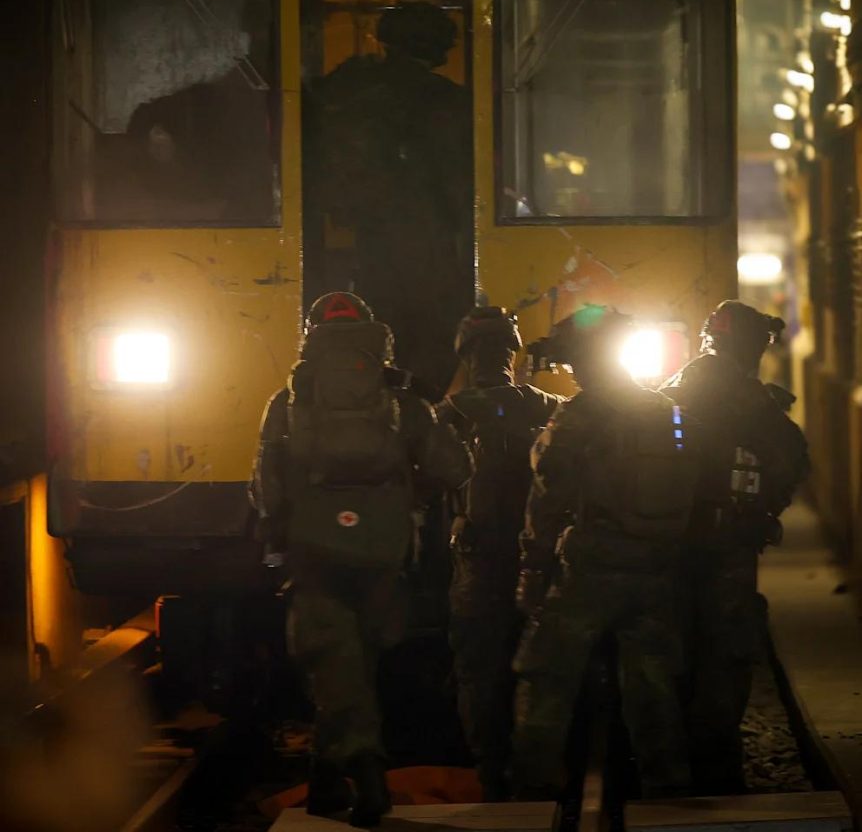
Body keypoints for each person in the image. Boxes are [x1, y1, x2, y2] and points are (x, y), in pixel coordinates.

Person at [251, 291, 472, 827]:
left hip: (314, 552)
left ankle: (369, 774)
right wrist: (403, 493)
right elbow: (453, 469)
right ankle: (326, 784)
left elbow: (267, 488)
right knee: (353, 668)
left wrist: (277, 533)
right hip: (383, 553)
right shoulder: (403, 400)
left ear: (311, 337)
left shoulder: (288, 402)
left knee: (335, 667)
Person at [512, 305, 699, 800]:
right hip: (653, 567)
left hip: (589, 569)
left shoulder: (579, 417)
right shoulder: (665, 410)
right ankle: (667, 782)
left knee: (547, 673)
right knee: (653, 682)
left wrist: (532, 569)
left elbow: (547, 497)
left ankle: (532, 783)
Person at [661, 300, 809, 794]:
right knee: (724, 654)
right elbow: (790, 460)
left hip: (672, 544)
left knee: (675, 649)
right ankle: (717, 771)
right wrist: (764, 510)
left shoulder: (676, 388)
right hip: (728, 547)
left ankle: (671, 768)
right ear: (751, 346)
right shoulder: (754, 402)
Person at [305, 1, 473, 398]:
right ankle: (414, 412)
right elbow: (460, 182)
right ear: (435, 47)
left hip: (351, 240)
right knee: (431, 337)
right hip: (427, 244)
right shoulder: (449, 102)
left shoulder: (340, 92)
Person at [435, 306, 564, 801]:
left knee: (479, 669)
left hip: (478, 561)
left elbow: (426, 486)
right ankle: (537, 774)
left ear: (465, 354)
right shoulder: (552, 407)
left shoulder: (450, 414)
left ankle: (492, 776)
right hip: (541, 562)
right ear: (514, 351)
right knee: (540, 666)